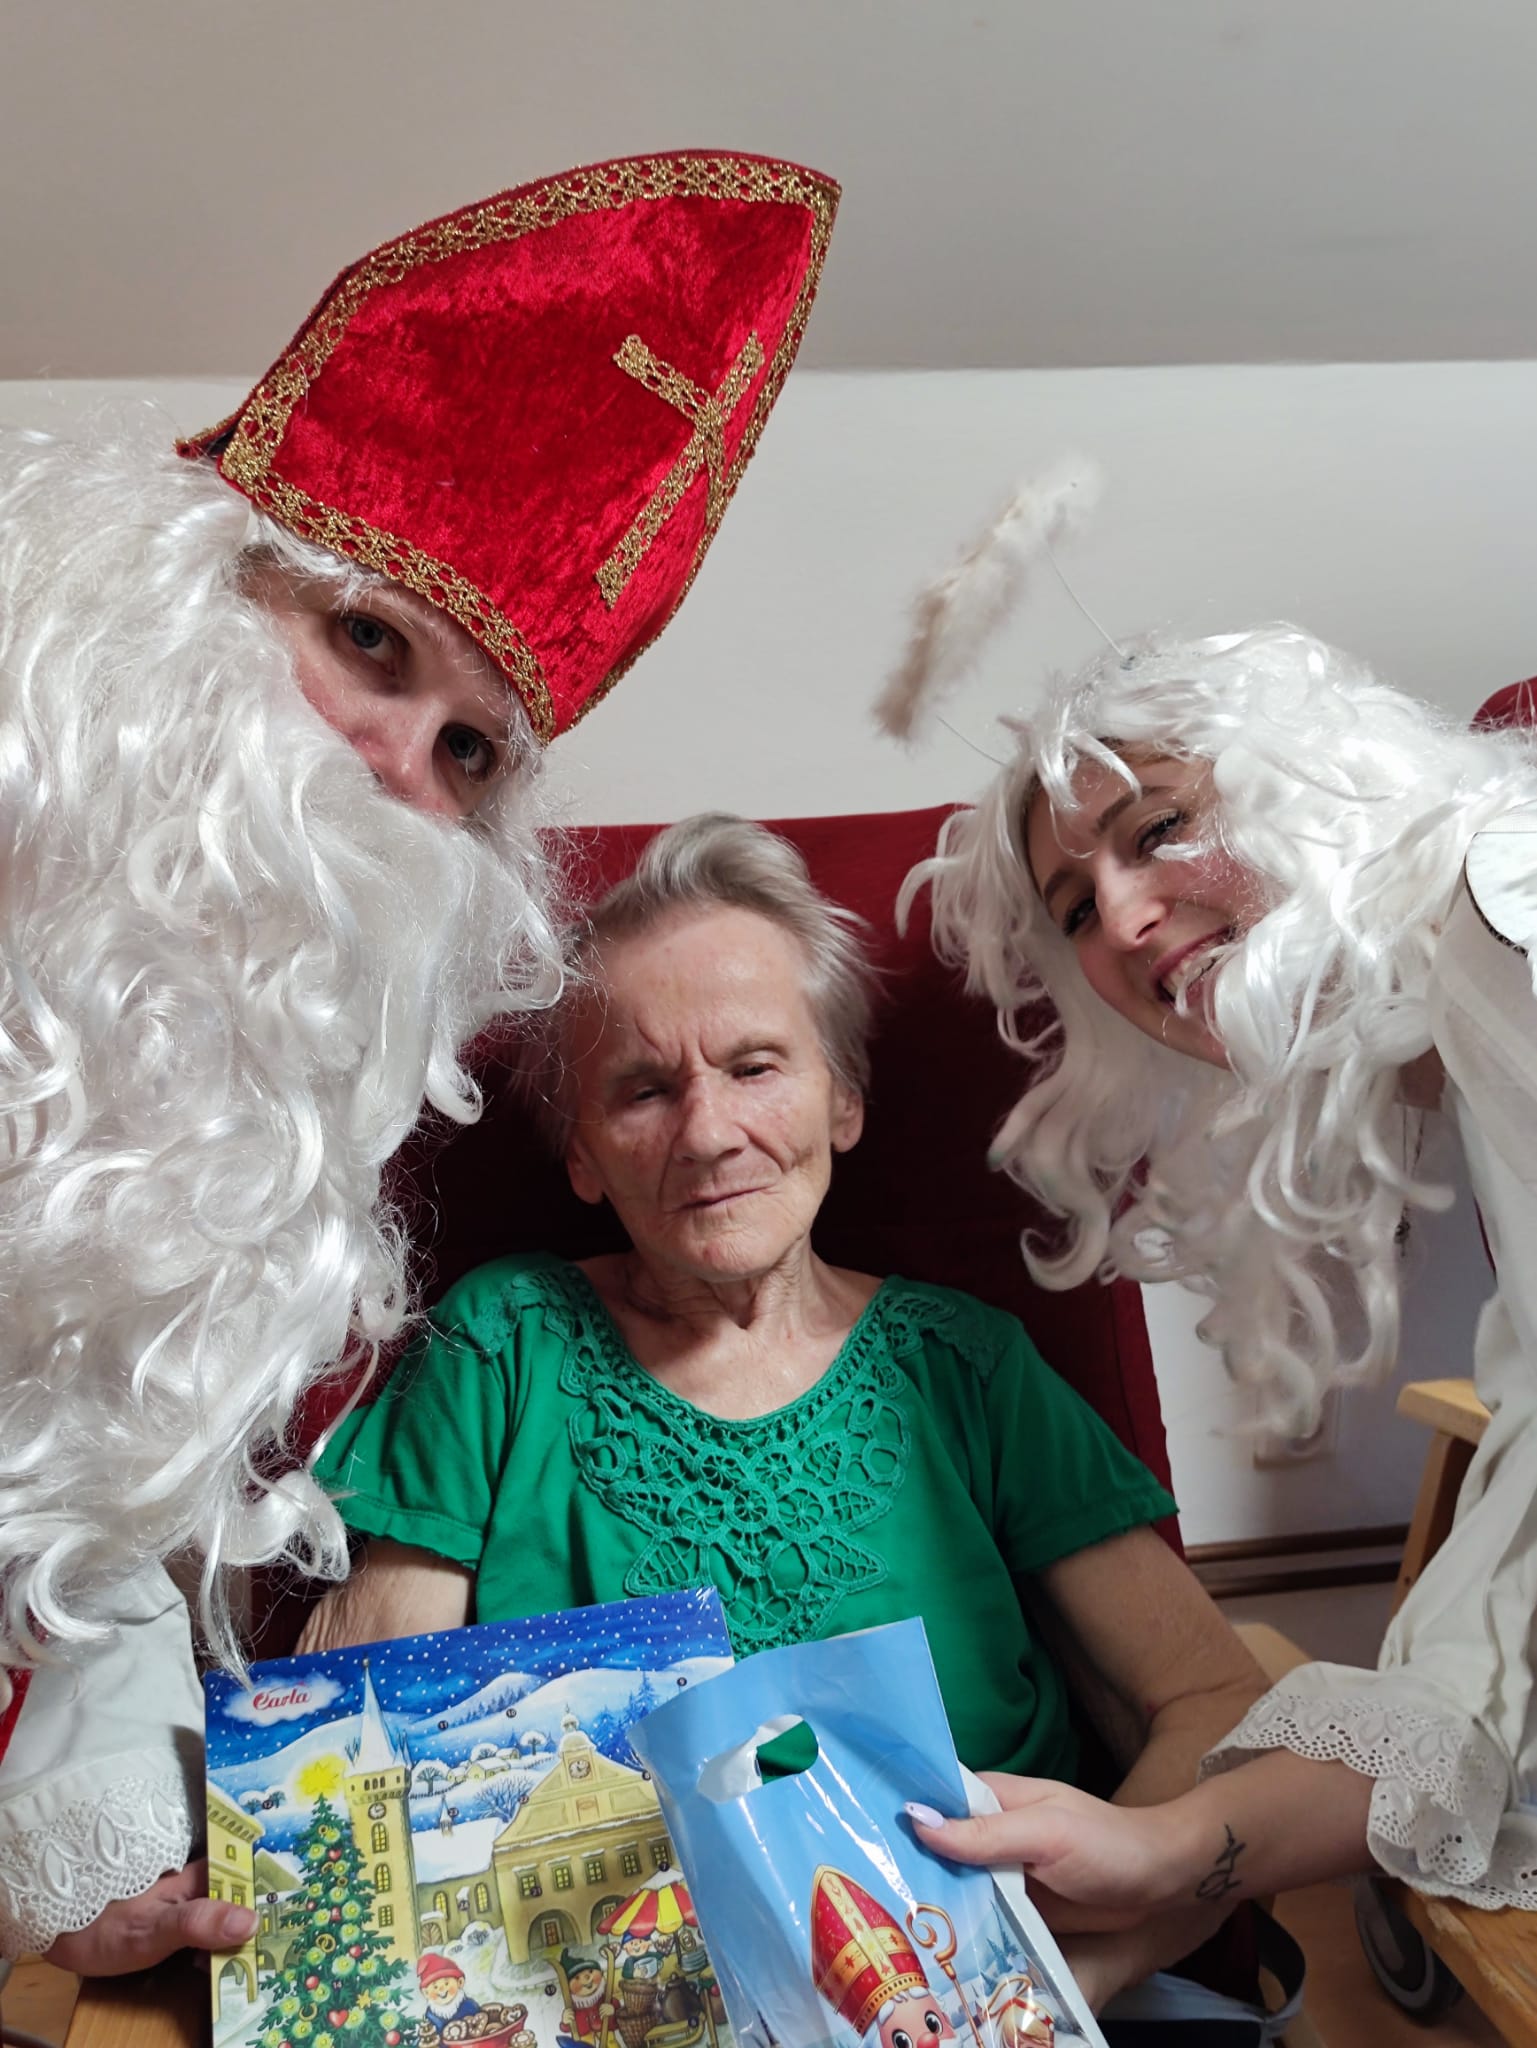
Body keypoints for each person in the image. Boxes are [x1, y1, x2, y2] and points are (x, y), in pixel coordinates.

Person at [0, 150, 837, 1976]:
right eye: (365, 640)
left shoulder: (224, 1083)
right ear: (163, 603)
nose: (394, 771)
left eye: (470, 752)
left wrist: (88, 1860)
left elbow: (97, 1502)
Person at [301, 814, 1275, 2021]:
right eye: (644, 1088)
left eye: (755, 1065)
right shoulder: (500, 1346)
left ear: (842, 1098)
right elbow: (352, 1739)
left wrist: (1067, 1971)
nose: (709, 1132)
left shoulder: (965, 1365)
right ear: (584, 1155)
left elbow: (1218, 1706)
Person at [883, 505, 1537, 1928]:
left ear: (1306, 775)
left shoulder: (1507, 902)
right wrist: (1166, 1850)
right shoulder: (1460, 1011)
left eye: (1160, 828)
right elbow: (1490, 1644)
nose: (1120, 921)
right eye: (1072, 907)